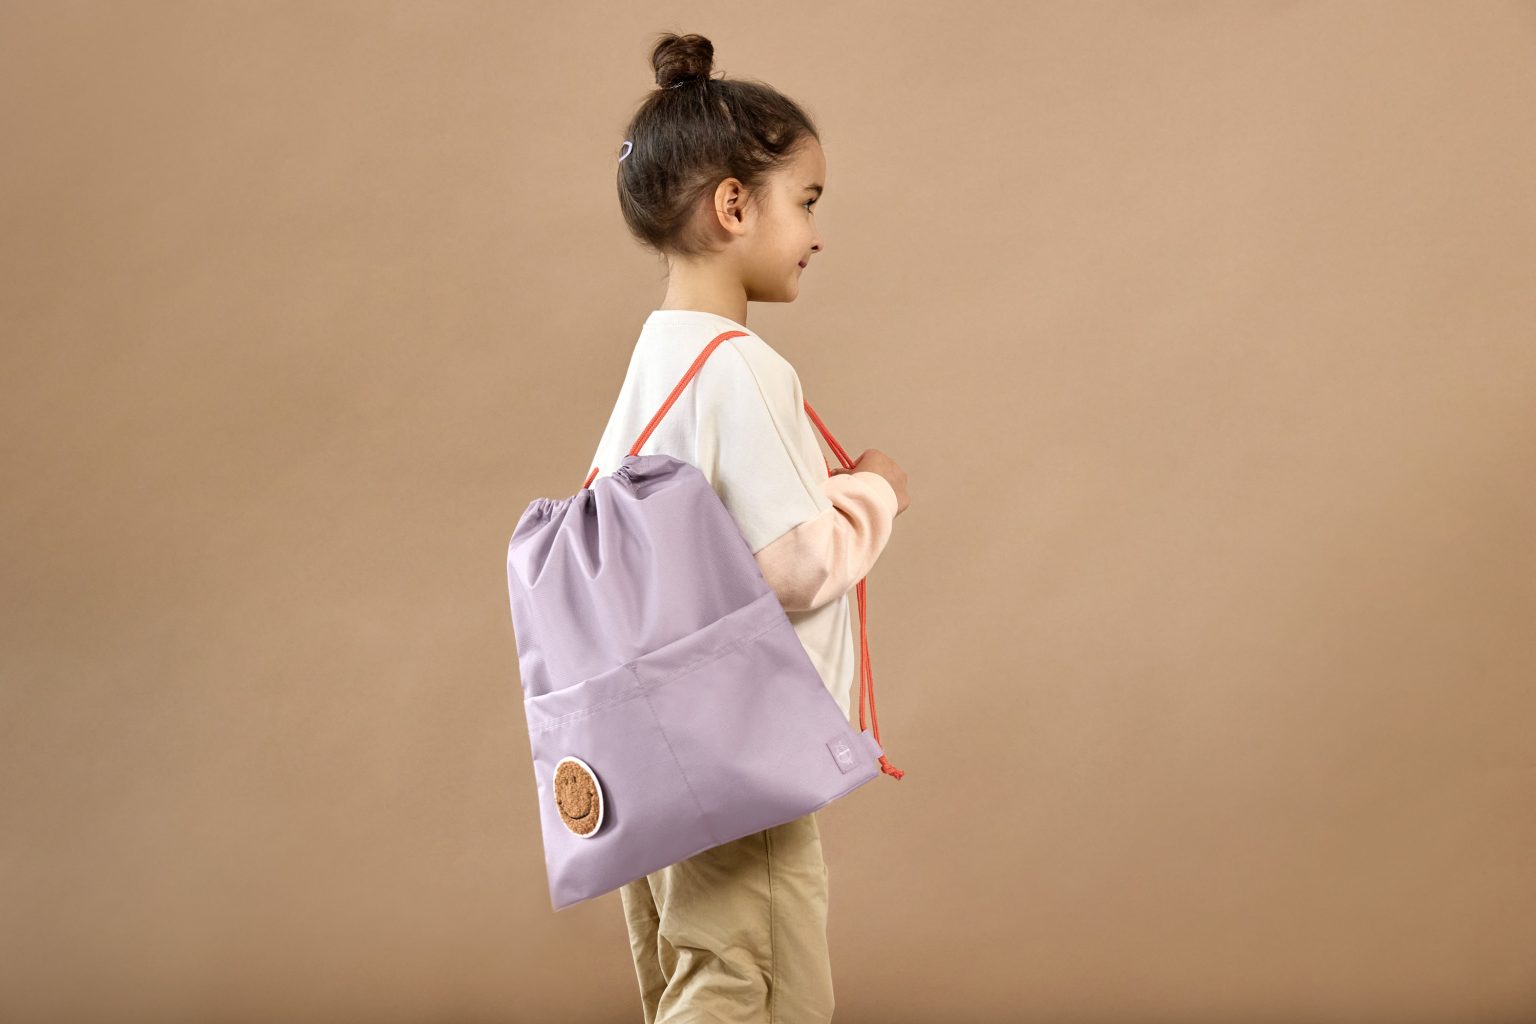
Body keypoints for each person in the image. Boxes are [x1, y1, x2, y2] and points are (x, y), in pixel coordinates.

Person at [585, 30, 911, 1024]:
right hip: (740, 753)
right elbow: (794, 565)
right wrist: (874, 492)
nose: (815, 232)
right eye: (806, 201)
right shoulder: (740, 367)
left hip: (652, 750)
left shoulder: (654, 365)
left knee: (698, 974)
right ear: (734, 206)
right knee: (758, 989)